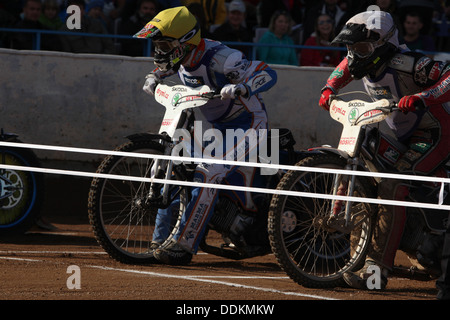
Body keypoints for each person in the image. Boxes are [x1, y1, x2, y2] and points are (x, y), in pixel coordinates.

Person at [134, 6, 277, 265]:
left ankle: (184, 247)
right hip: (215, 127)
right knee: (175, 164)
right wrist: (154, 76)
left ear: (185, 41)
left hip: (249, 124)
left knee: (208, 172)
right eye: (158, 45)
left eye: (165, 45)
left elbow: (267, 72)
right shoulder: (182, 57)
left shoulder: (224, 59)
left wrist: (243, 87)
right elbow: (166, 69)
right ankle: (160, 238)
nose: (159, 52)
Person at [318, 10, 450, 290]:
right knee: (369, 183)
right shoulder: (358, 60)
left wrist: (422, 97)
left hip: (437, 132)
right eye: (351, 47)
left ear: (383, 43)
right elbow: (345, 65)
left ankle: (376, 275)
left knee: (393, 187)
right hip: (402, 133)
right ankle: (357, 262)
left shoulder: (411, 63)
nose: (355, 55)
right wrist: (329, 89)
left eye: (362, 48)